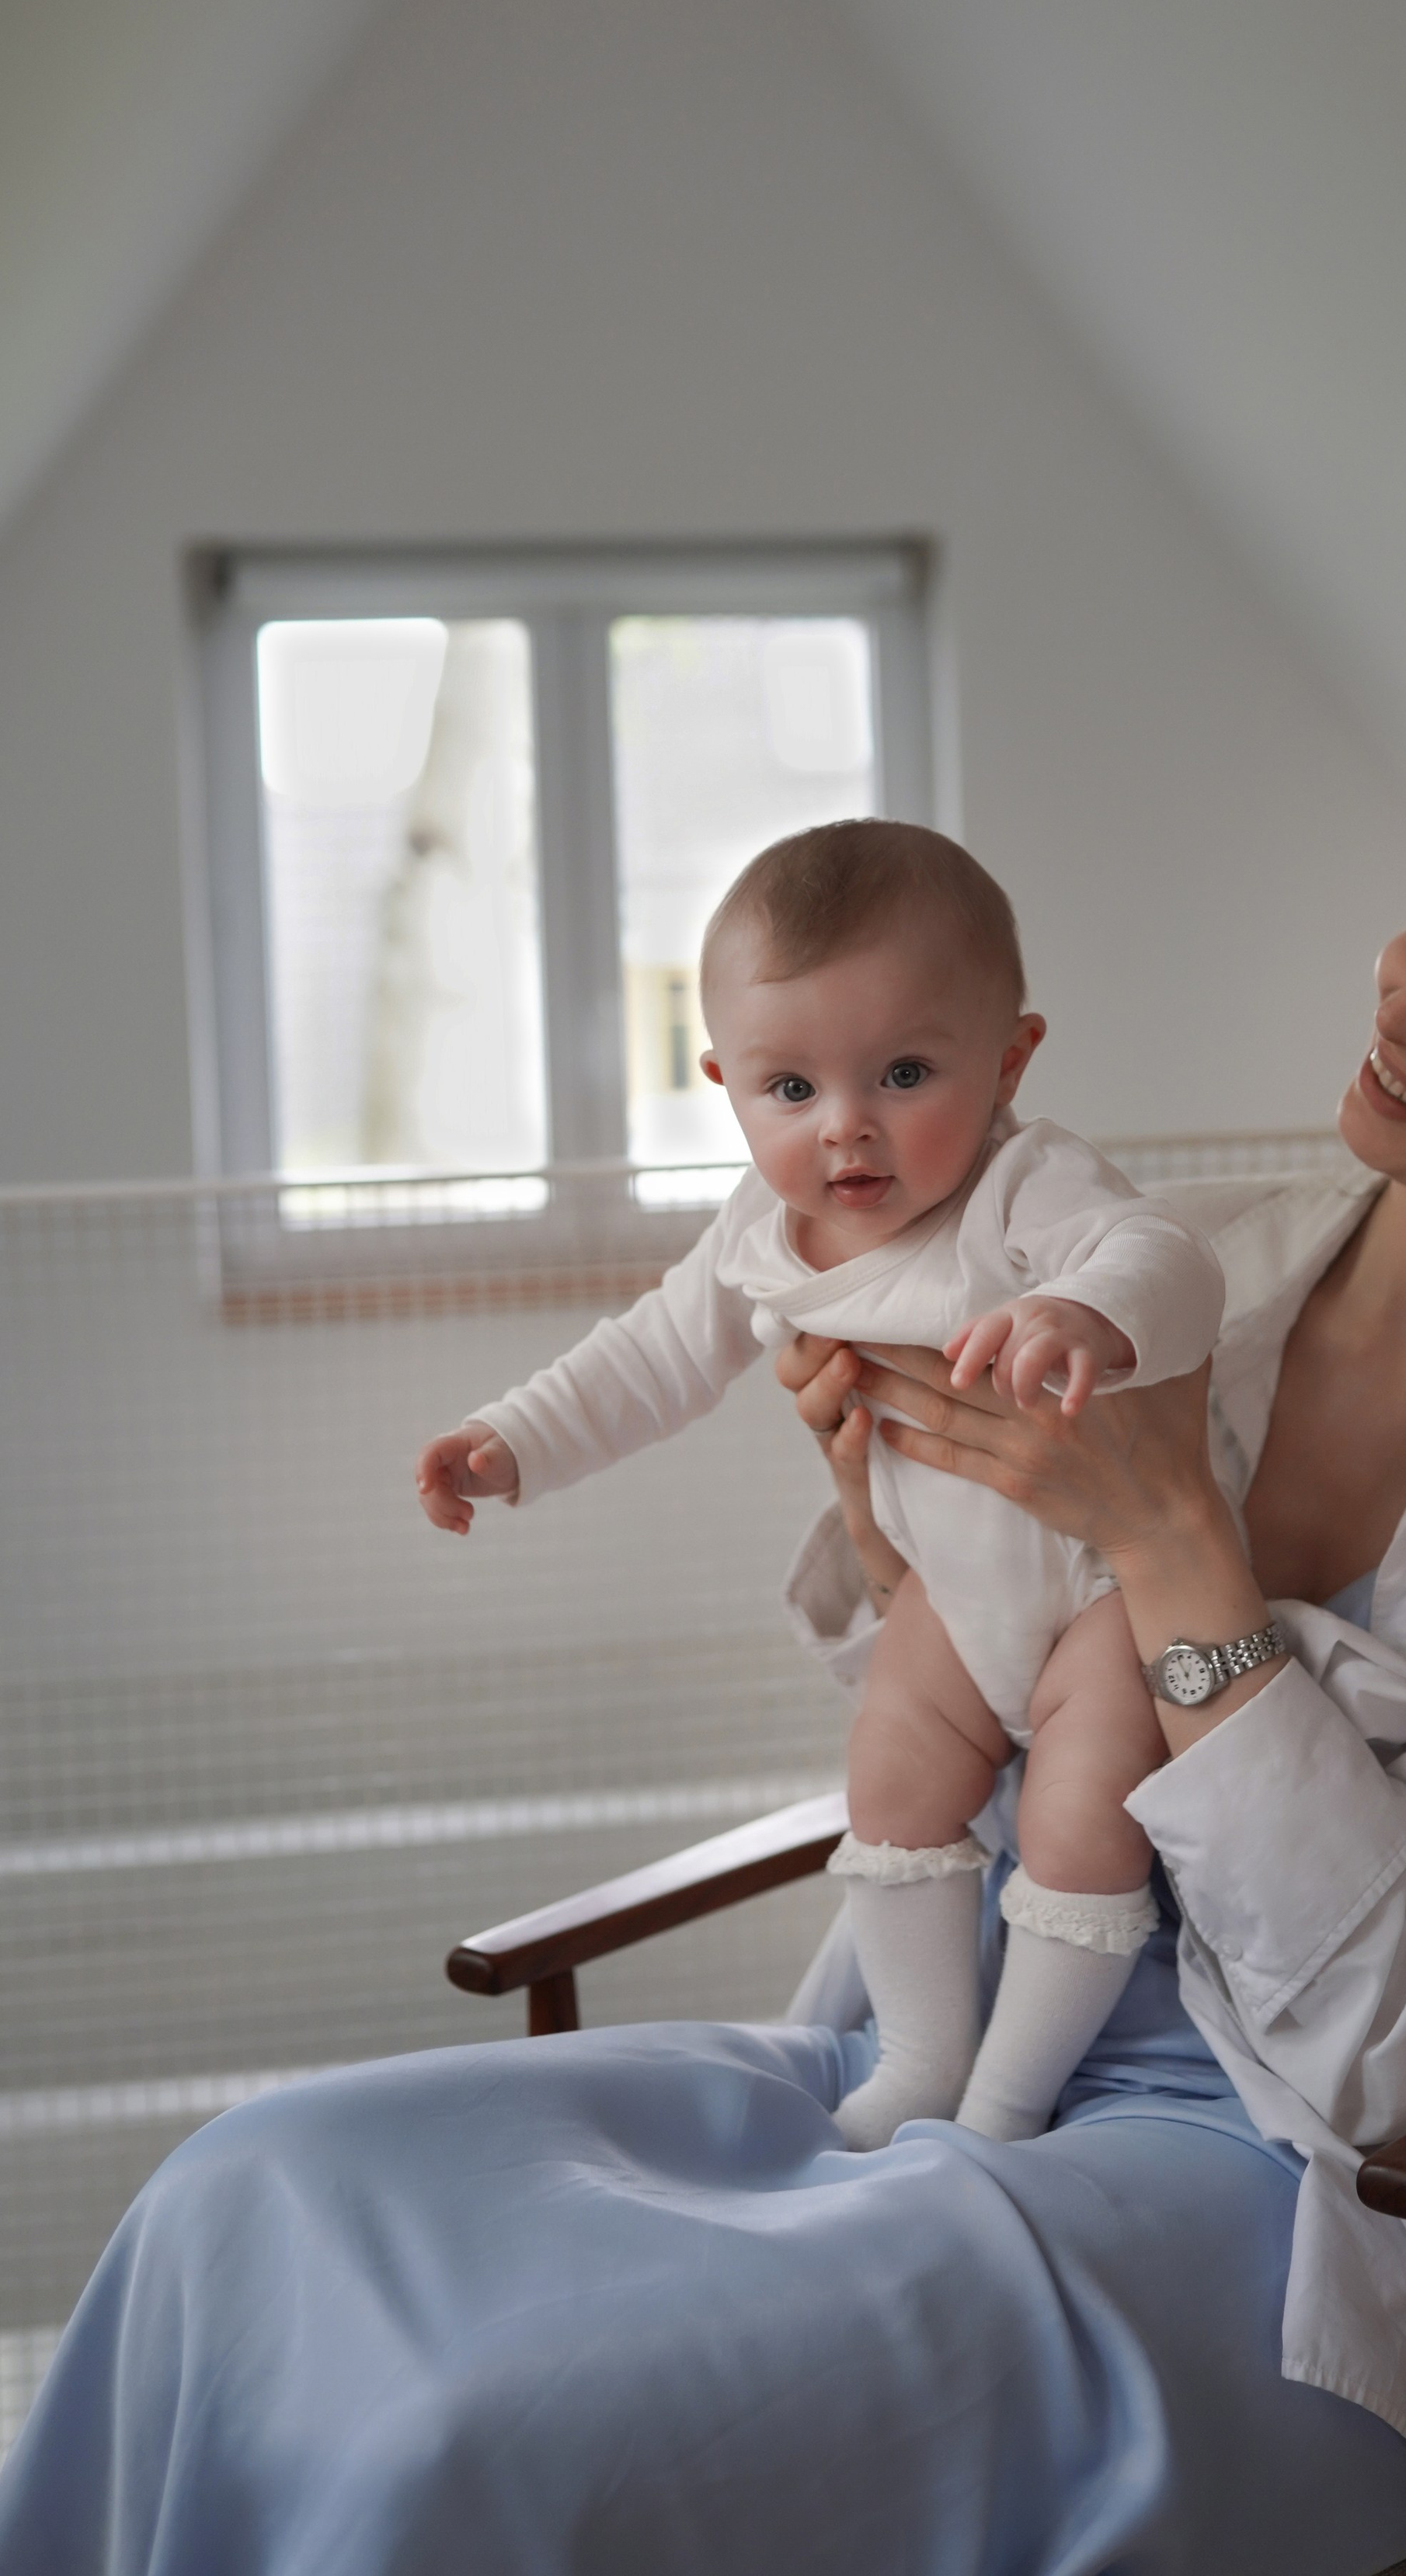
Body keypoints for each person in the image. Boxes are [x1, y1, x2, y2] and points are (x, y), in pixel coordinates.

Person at [0, 753, 1406, 2576]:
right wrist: (881, 1515)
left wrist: (1178, 1546)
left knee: (493, 2434)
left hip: (1340, 2204)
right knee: (252, 2193)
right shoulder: (1194, 1276)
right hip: (975, 2028)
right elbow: (958, 1675)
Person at [416, 819, 1225, 2150]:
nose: (847, 1126)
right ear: (725, 1081)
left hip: (1103, 1593)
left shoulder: (1023, 1185)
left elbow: (1170, 1258)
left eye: (905, 1072)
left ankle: (1012, 2099)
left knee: (1081, 1818)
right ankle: (919, 2054)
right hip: (952, 1600)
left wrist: (1087, 1308)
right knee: (893, 1780)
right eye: (791, 1089)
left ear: (1012, 1055)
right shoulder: (758, 1232)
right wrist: (513, 1441)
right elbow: (652, 1356)